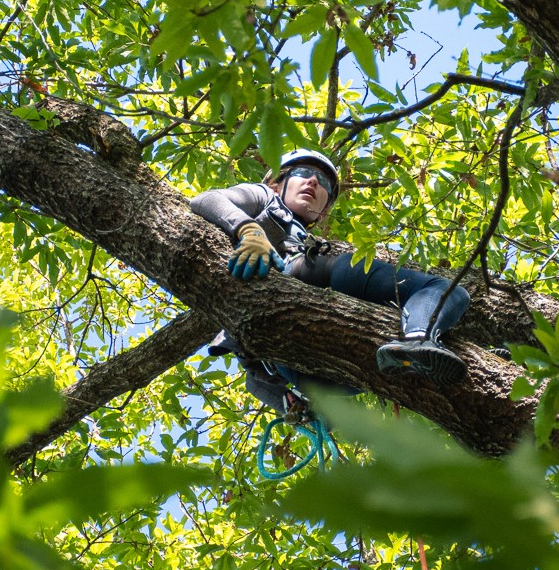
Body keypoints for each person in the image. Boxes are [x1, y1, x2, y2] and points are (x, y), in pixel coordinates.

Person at [191, 150, 470, 415]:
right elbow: (206, 199)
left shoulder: (311, 239)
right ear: (277, 184)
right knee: (444, 290)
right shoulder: (265, 196)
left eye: (323, 181)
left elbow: (255, 381)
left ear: (322, 212)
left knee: (400, 356)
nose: (313, 181)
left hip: (307, 374)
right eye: (302, 172)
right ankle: (419, 338)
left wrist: (292, 406)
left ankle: (454, 360)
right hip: (290, 297)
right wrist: (249, 230)